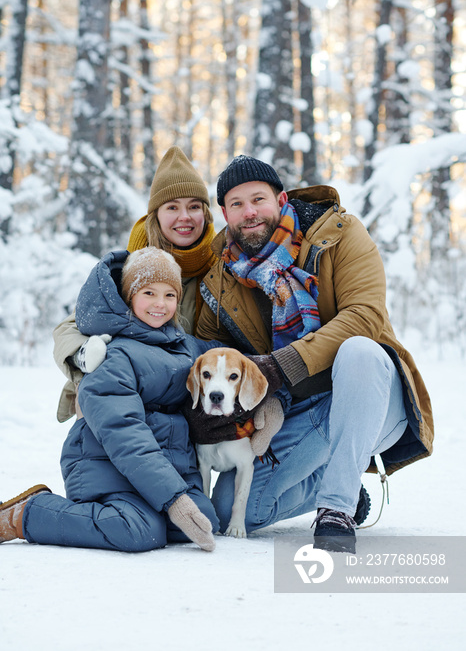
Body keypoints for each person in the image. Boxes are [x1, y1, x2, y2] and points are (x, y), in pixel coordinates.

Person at [189, 154, 434, 553]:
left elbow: (366, 316)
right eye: (237, 204)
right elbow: (210, 351)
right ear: (224, 213)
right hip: (300, 411)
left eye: (258, 199)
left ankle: (336, 509)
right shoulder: (221, 277)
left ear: (281, 198)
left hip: (371, 396)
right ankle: (341, 480)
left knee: (359, 351)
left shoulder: (340, 233)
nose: (249, 212)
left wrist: (282, 366)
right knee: (231, 508)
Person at [0, 247, 221, 552]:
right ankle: (28, 514)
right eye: (148, 293)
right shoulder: (114, 354)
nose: (160, 304)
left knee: (205, 519)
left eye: (170, 295)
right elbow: (123, 432)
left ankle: (156, 502)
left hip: (160, 469)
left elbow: (235, 361)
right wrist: (173, 498)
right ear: (129, 296)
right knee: (138, 531)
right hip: (105, 463)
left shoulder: (186, 346)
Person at [53, 145, 217, 424]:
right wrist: (87, 363)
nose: (185, 217)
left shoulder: (219, 268)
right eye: (172, 207)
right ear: (156, 215)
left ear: (206, 213)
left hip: (186, 392)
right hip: (127, 387)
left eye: (194, 206)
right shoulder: (133, 266)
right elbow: (71, 327)